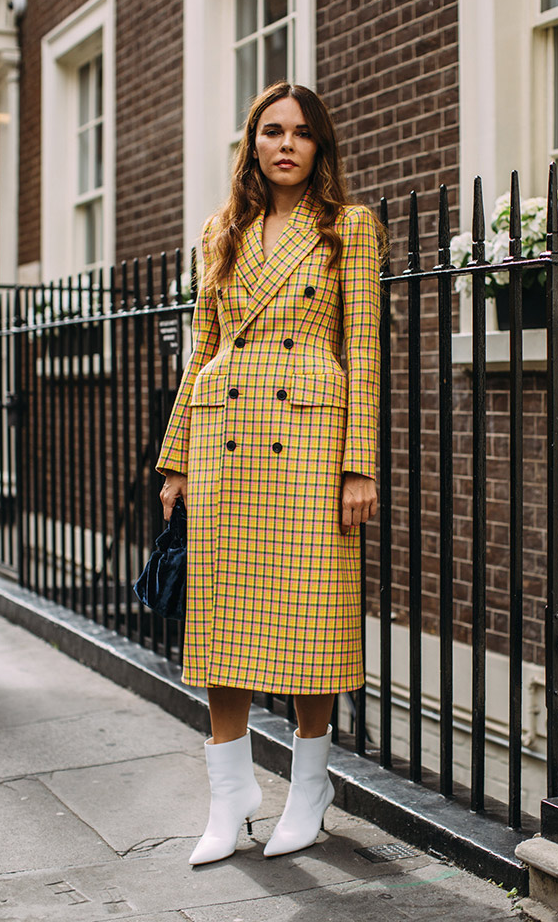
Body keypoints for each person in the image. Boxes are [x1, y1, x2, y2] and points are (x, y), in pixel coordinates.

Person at [157, 81, 381, 866]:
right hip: (224, 439)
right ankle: (230, 796)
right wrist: (176, 457)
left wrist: (359, 467)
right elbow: (200, 350)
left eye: (301, 133)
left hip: (311, 440)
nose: (285, 144)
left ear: (319, 146)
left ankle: (309, 786)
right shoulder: (221, 231)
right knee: (221, 622)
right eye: (270, 131)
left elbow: (363, 352)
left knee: (309, 615)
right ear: (251, 144)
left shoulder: (346, 226)